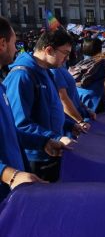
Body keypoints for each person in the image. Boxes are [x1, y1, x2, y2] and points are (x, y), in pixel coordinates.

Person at [3, 27, 76, 182]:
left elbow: (51, 107)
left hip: (49, 148)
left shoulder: (46, 71)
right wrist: (54, 138)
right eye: (65, 54)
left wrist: (71, 125)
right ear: (49, 50)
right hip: (36, 157)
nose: (67, 59)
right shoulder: (22, 76)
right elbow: (20, 123)